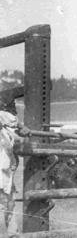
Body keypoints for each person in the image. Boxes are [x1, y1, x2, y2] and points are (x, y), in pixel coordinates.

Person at [0, 87, 30, 237]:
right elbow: (12, 120)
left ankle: (13, 234)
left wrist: (21, 128)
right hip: (2, 172)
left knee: (9, 203)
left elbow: (14, 124)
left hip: (5, 172)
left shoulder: (5, 125)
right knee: (5, 203)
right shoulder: (3, 116)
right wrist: (23, 129)